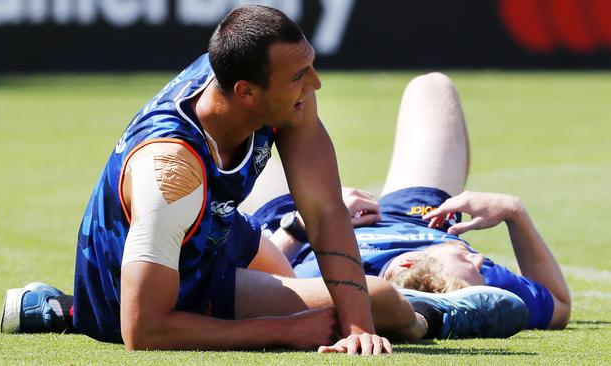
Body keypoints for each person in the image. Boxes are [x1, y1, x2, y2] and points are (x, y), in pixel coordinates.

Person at [0, 7, 529, 353]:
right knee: (380, 298)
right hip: (143, 295)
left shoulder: (263, 83)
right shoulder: (172, 174)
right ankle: (432, 319)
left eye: (311, 67)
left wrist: (357, 329)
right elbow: (143, 331)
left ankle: (53, 307)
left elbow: (323, 211)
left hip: (212, 234)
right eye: (300, 76)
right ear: (246, 93)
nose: (315, 83)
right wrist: (284, 332)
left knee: (350, 306)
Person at [244, 72, 571, 330]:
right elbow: (558, 304)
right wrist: (514, 212)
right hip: (418, 216)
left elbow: (265, 277)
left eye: (468, 261)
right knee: (432, 88)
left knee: (236, 148)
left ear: (407, 263)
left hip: (290, 225)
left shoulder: (327, 279)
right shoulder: (487, 285)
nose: (480, 258)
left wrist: (306, 222)